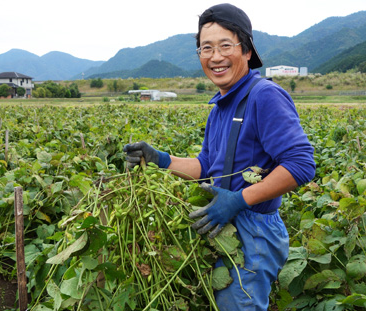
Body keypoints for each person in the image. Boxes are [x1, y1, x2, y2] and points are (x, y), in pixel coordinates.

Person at [123, 3, 316, 310]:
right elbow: (205, 168)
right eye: (206, 48)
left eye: (226, 45)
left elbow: (301, 165)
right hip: (221, 225)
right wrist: (161, 159)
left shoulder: (263, 95)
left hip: (254, 231)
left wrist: (239, 199)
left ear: (247, 50)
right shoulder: (220, 107)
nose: (215, 57)